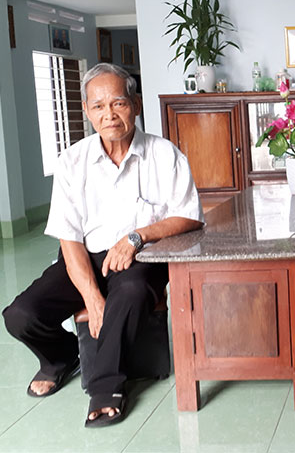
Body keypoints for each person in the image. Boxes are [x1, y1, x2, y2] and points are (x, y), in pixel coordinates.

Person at [2, 63, 204, 427]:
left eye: (118, 103)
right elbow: (70, 238)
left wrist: (137, 236)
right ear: (87, 111)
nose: (109, 114)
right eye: (98, 106)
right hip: (85, 257)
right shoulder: (72, 161)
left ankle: (106, 386)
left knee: (129, 294)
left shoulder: (164, 154)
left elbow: (189, 216)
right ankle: (60, 358)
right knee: (20, 314)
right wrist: (93, 298)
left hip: (142, 256)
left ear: (136, 105)